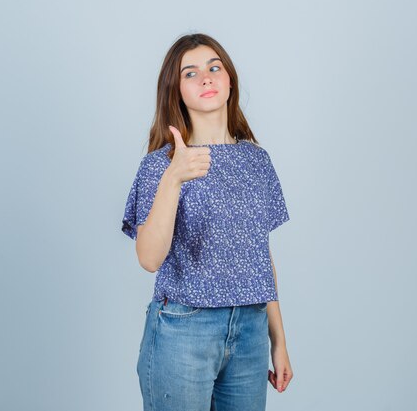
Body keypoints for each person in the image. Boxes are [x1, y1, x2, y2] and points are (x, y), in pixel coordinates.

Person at [121, 33, 293, 411]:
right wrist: (174, 177)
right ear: (176, 90)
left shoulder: (256, 161)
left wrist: (278, 341)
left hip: (250, 331)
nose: (206, 78)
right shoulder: (160, 165)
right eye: (191, 73)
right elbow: (149, 258)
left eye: (215, 68)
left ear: (230, 80)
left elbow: (260, 254)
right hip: (184, 329)